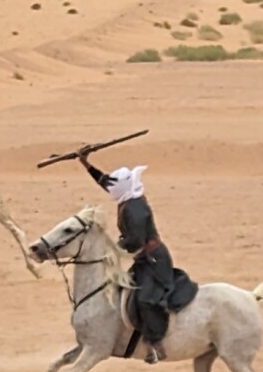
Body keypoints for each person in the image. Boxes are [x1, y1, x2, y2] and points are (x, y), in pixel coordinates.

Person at [77, 151, 196, 360]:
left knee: (146, 299)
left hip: (154, 260)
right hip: (143, 260)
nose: (110, 190)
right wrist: (85, 163)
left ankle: (155, 343)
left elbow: (135, 241)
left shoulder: (135, 209)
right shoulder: (127, 196)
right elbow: (107, 183)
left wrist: (112, 247)